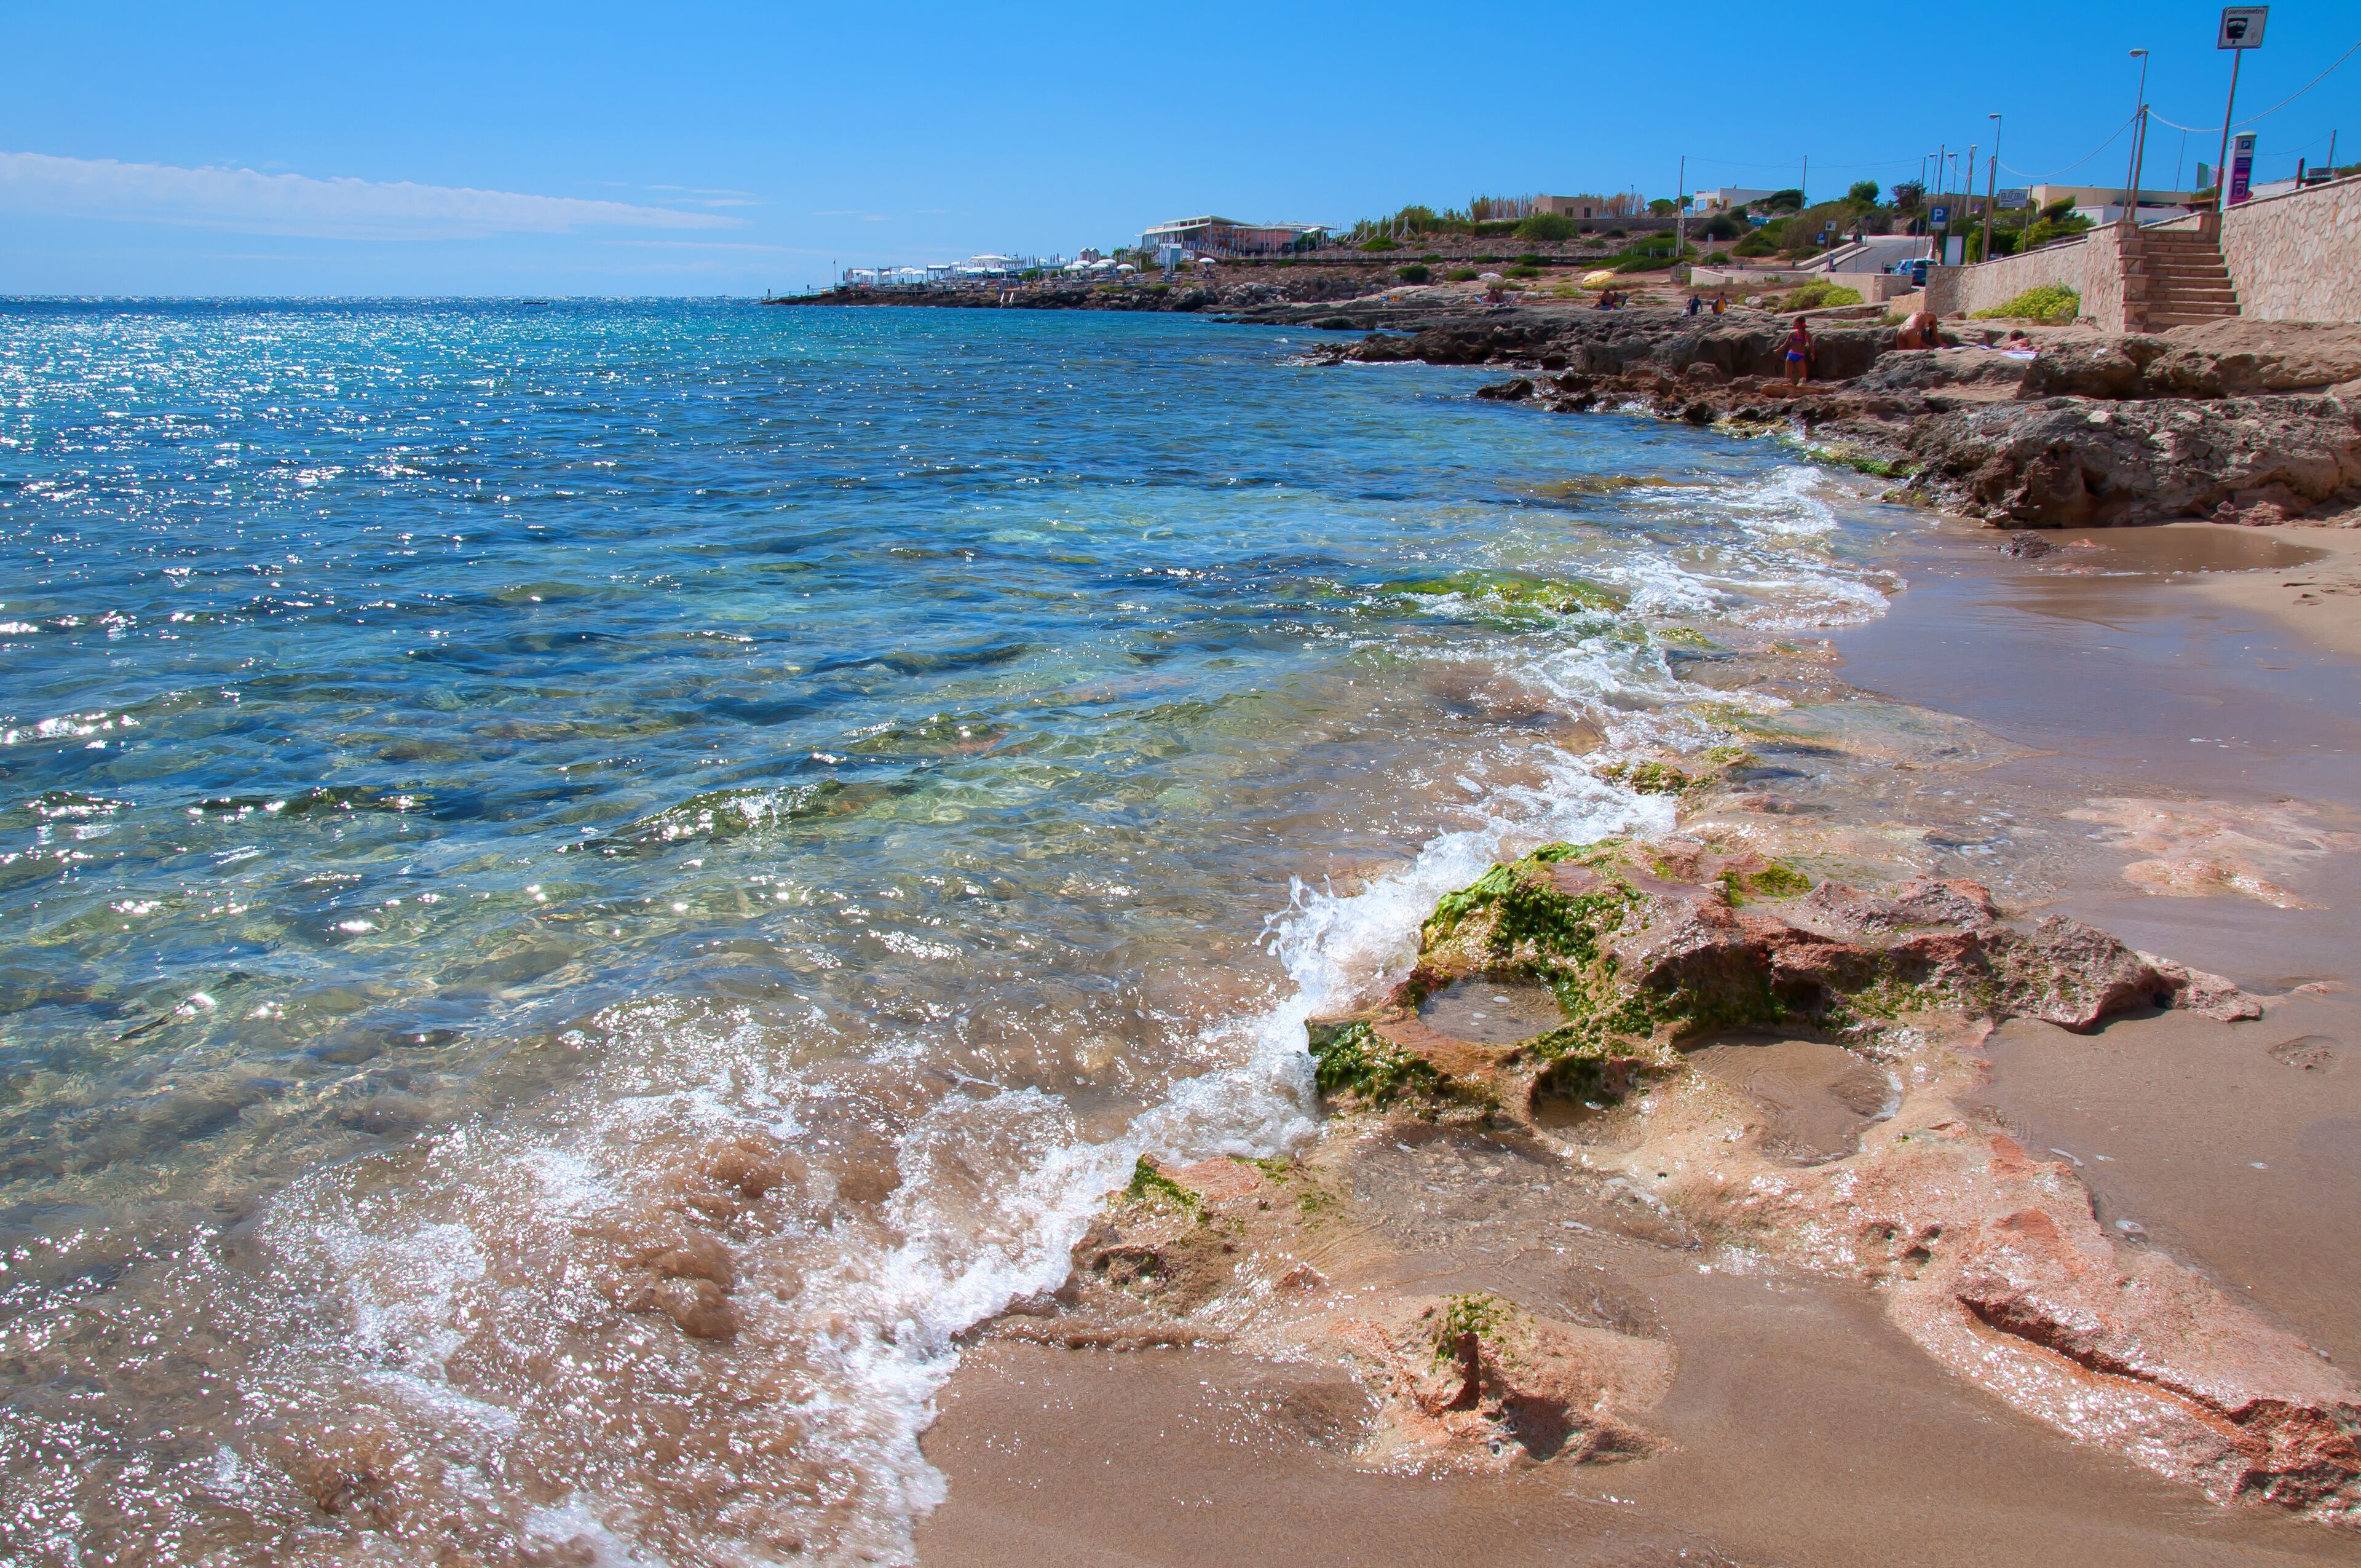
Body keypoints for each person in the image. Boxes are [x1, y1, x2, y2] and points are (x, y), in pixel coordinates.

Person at [1784, 315, 1813, 384]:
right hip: (1800, 356)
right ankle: (1803, 385)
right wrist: (1813, 354)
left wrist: (1778, 350)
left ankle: (1786, 386)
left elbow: (1785, 345)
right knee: (1804, 377)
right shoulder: (1807, 334)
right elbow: (1811, 346)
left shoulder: (1793, 333)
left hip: (1791, 355)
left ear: (1798, 324)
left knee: (1788, 377)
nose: (1792, 324)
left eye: (1794, 323)